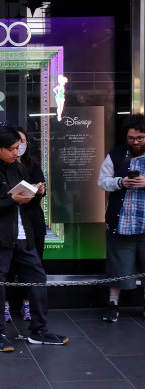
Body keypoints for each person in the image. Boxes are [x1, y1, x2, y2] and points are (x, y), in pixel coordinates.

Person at [0, 125, 68, 352]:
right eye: (13, 148)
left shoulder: (20, 168)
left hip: (24, 234)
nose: (17, 152)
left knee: (38, 278)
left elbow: (27, 203)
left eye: (19, 147)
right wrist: (13, 200)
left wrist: (36, 192)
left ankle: (39, 330)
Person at [98, 114, 145, 322]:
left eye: (140, 138)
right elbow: (102, 181)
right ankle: (112, 304)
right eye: (131, 138)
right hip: (122, 220)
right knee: (117, 265)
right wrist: (120, 182)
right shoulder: (116, 154)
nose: (135, 142)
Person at [4, 128, 47, 322]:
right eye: (15, 141)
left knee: (33, 267)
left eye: (22, 141)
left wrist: (40, 189)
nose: (19, 146)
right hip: (9, 223)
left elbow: (42, 188)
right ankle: (4, 306)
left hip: (32, 221)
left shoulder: (33, 164)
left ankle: (27, 304)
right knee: (7, 267)